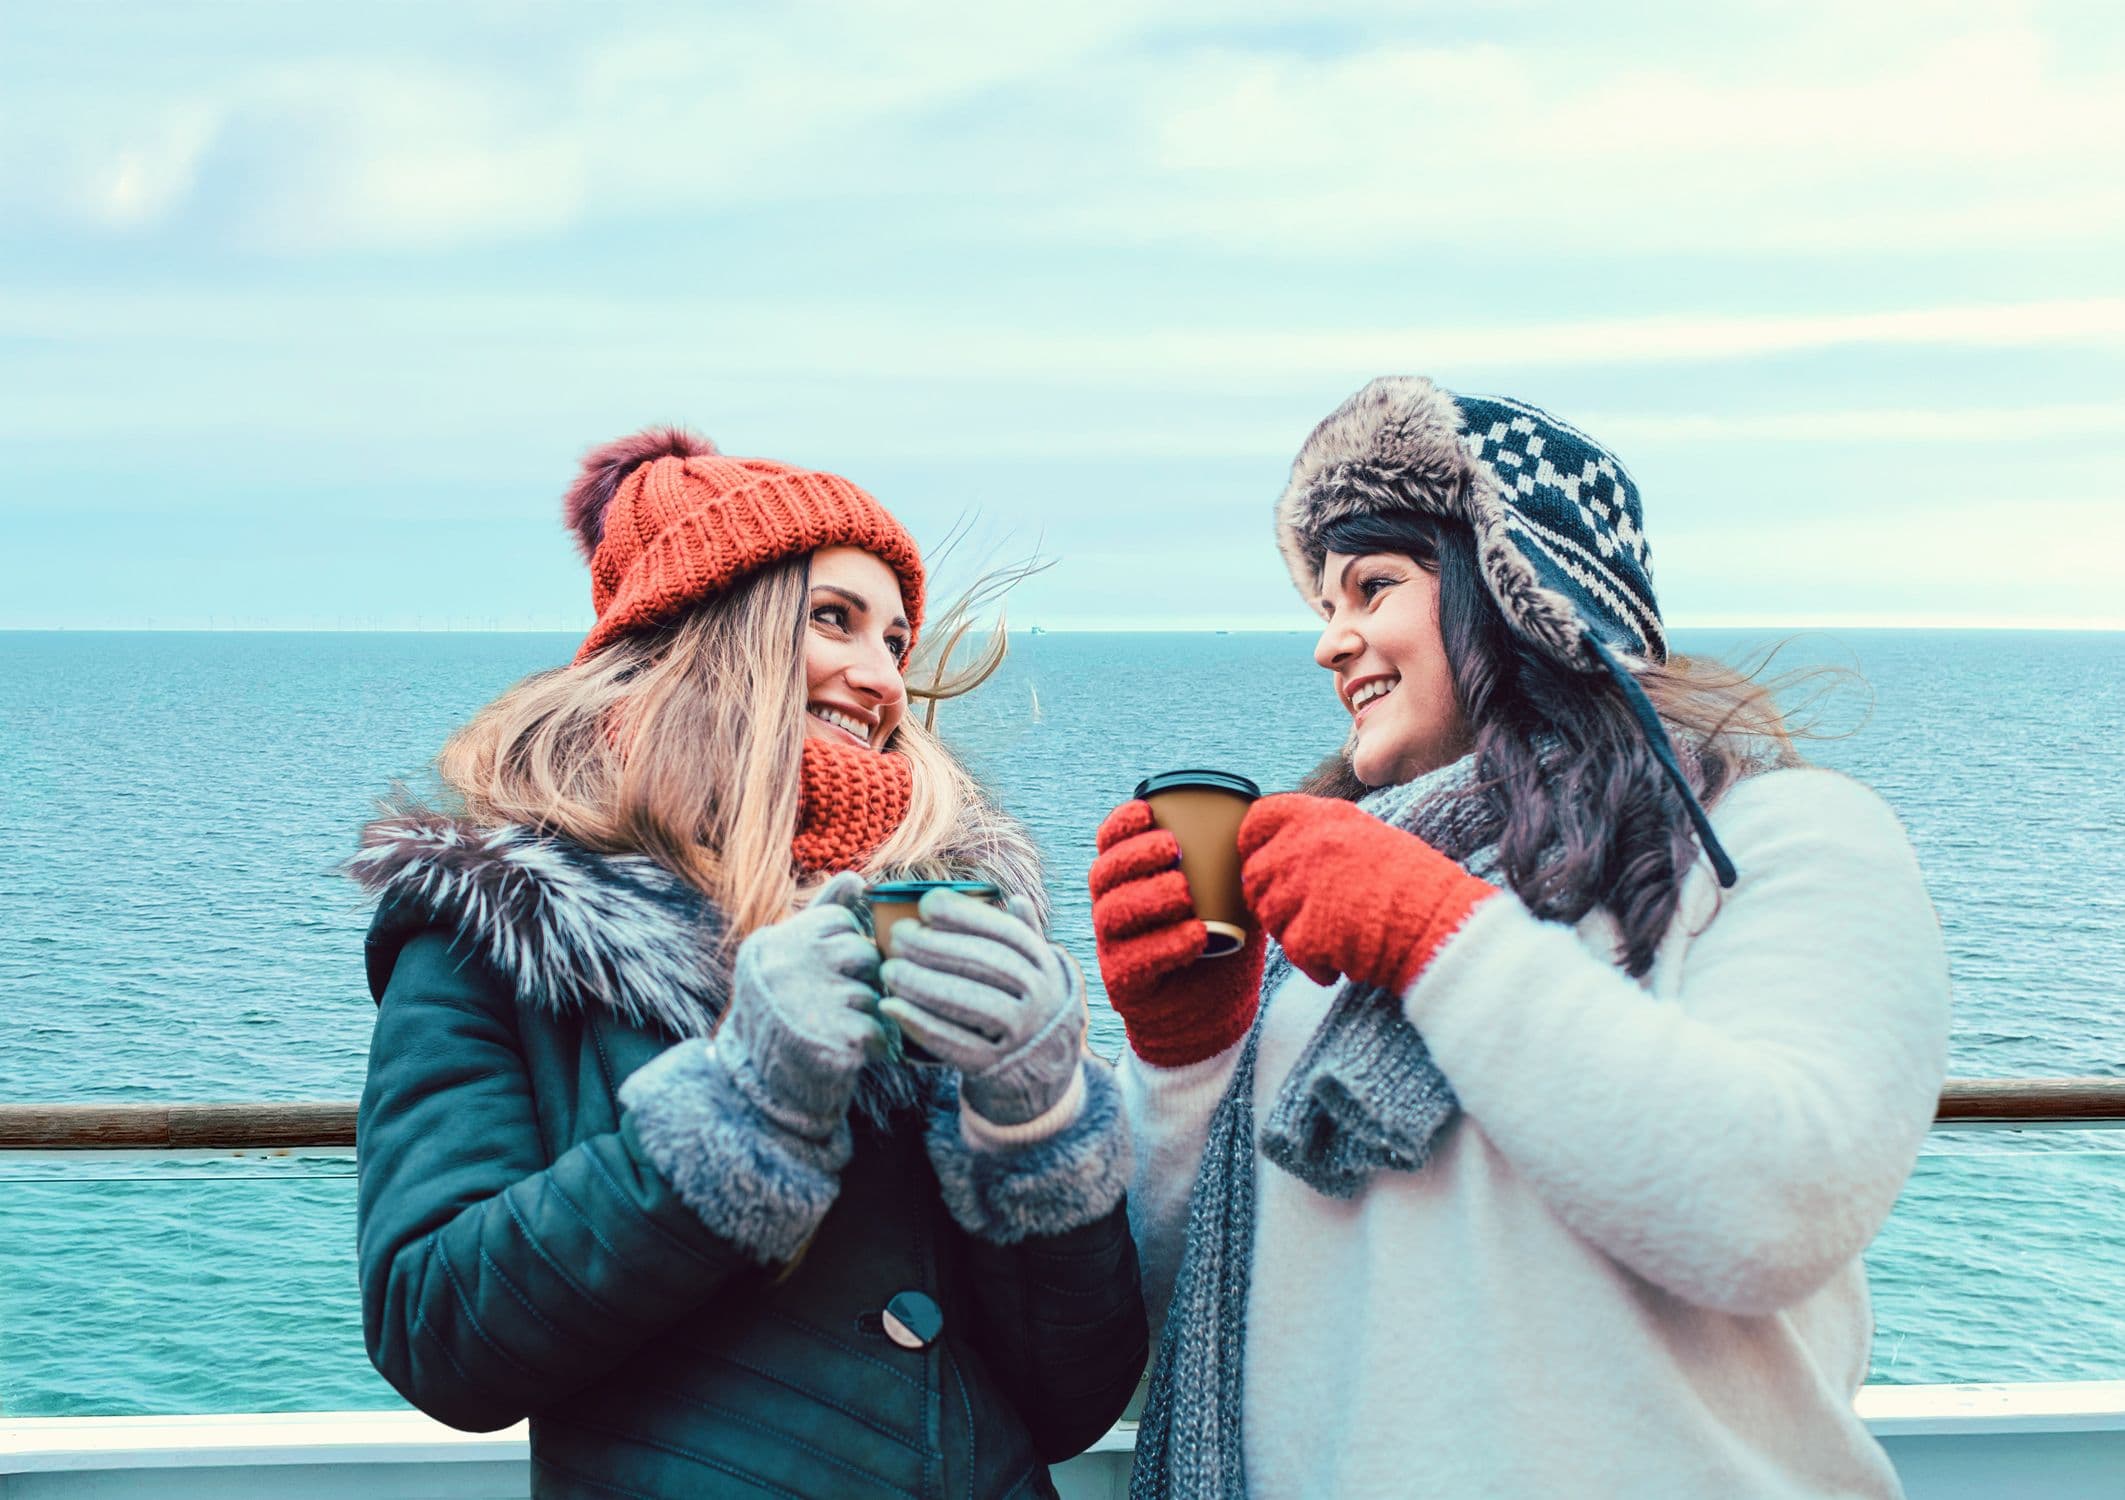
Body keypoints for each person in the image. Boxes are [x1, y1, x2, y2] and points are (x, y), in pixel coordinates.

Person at [1090, 377, 1949, 1498]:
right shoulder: (1325, 926)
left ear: (1516, 587)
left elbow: (1771, 1205)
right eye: (1324, 608)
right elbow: (1180, 1325)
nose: (1331, 643)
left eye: (1373, 586)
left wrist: (1434, 934)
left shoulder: (1783, 835)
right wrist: (1185, 1057)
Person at [351, 428, 1146, 1499]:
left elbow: (1072, 1403)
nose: (883, 679)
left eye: (895, 640)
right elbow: (437, 1334)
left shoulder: (944, 911)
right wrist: (741, 1107)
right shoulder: (499, 926)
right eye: (833, 619)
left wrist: (1035, 1121)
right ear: (703, 632)